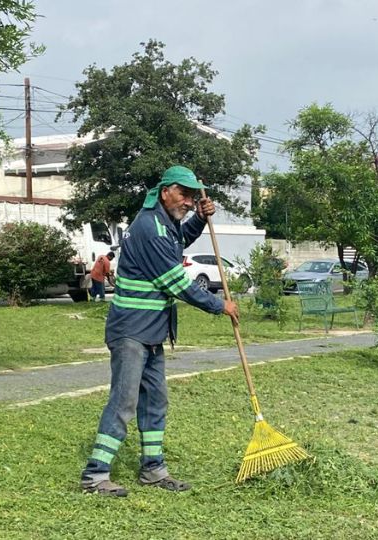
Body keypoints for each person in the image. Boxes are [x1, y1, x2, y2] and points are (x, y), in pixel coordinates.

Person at [80, 165, 240, 497]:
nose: (188, 200)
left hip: (152, 332)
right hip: (132, 332)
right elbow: (175, 282)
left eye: (193, 196)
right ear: (165, 191)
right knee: (124, 401)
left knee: (155, 401)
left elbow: (178, 241)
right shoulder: (150, 226)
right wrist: (218, 305)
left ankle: (153, 469)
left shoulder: (165, 224)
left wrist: (198, 219)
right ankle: (95, 476)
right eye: (184, 194)